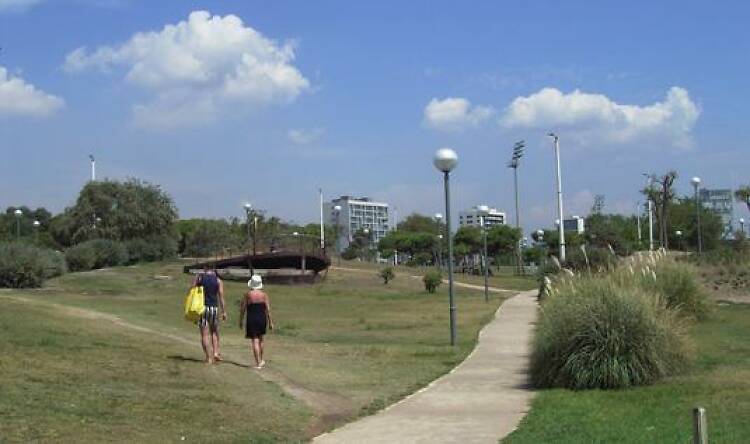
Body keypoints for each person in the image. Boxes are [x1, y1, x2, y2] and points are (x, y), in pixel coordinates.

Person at [239, 274, 274, 369]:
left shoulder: (248, 295)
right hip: (262, 318)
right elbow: (268, 310)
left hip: (252, 318)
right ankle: (261, 359)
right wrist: (271, 322)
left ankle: (258, 362)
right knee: (261, 338)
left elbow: (243, 309)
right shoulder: (264, 295)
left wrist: (241, 320)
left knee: (255, 340)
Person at [192, 266, 226, 364]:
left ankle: (208, 358)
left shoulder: (200, 278)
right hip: (213, 308)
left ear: (205, 268)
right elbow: (221, 297)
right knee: (214, 331)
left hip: (202, 308)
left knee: (204, 334)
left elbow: (192, 289)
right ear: (214, 269)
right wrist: (224, 311)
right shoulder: (218, 280)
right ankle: (215, 352)